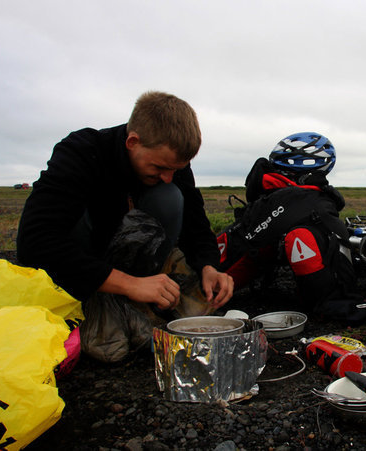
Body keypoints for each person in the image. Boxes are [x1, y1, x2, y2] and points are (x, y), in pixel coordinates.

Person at [17, 91, 234, 361]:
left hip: (135, 268)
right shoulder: (82, 152)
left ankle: (138, 300)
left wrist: (208, 266)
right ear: (133, 142)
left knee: (170, 197)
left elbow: (195, 222)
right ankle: (94, 302)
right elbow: (35, 243)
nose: (169, 177)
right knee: (109, 348)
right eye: (160, 167)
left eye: (176, 169)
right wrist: (129, 284)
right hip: (78, 268)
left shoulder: (171, 167)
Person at [216, 132, 366, 323]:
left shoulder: (276, 193)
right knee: (301, 236)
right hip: (326, 299)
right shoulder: (300, 197)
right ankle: (325, 300)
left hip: (217, 271)